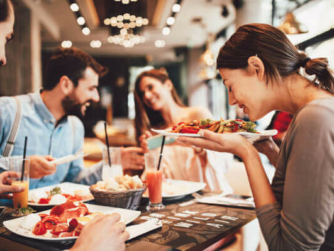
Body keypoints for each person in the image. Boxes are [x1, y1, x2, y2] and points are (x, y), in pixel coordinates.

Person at [178, 23, 334, 250]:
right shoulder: (318, 109)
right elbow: (316, 187)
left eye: (230, 86)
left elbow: (290, 247)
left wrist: (246, 153)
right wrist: (271, 152)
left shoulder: (315, 117)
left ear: (256, 68)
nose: (231, 100)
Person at [0, 0, 129, 250]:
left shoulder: (74, 127)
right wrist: (25, 167)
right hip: (8, 234)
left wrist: (113, 162)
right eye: (91, 88)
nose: (96, 98)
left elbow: (74, 179)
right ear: (66, 84)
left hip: (57, 232)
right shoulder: (8, 111)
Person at [134, 68, 233, 193]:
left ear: (168, 85)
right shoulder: (155, 133)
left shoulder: (197, 115)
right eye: (142, 93)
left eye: (150, 87)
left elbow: (225, 158)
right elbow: (155, 177)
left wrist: (201, 150)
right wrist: (148, 156)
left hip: (208, 193)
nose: (147, 96)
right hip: (175, 198)